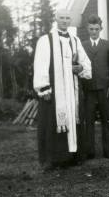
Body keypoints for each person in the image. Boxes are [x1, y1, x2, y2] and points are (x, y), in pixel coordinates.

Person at [33, 9, 92, 170]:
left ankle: (73, 156)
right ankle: (54, 159)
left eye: (68, 18)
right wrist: (44, 88)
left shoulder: (75, 40)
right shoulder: (46, 40)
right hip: (55, 90)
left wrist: (80, 67)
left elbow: (86, 64)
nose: (65, 21)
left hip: (72, 90)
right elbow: (40, 65)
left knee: (74, 120)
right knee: (54, 121)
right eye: (62, 18)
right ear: (56, 19)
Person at [81, 14, 109, 159]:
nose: (94, 31)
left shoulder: (108, 45)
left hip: (104, 88)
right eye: (91, 29)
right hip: (88, 88)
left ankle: (108, 151)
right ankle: (89, 151)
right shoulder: (82, 45)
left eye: (96, 29)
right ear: (87, 29)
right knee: (88, 120)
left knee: (106, 120)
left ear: (100, 29)